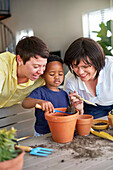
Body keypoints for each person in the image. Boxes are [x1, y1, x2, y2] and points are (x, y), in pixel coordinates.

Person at [63, 37, 113, 119]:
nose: (80, 72)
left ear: (97, 62)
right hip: (92, 108)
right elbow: (73, 116)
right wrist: (78, 109)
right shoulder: (70, 79)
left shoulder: (111, 67)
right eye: (75, 66)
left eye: (85, 66)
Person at [22, 55, 70, 135]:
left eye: (60, 74)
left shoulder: (64, 94)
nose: (57, 77)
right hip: (42, 133)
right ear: (43, 75)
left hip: (61, 132)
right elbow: (25, 103)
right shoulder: (40, 92)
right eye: (52, 74)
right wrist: (40, 102)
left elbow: (69, 112)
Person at [0, 36, 49, 108]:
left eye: (44, 66)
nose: (41, 72)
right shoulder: (2, 64)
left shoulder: (41, 79)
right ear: (20, 60)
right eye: (36, 66)